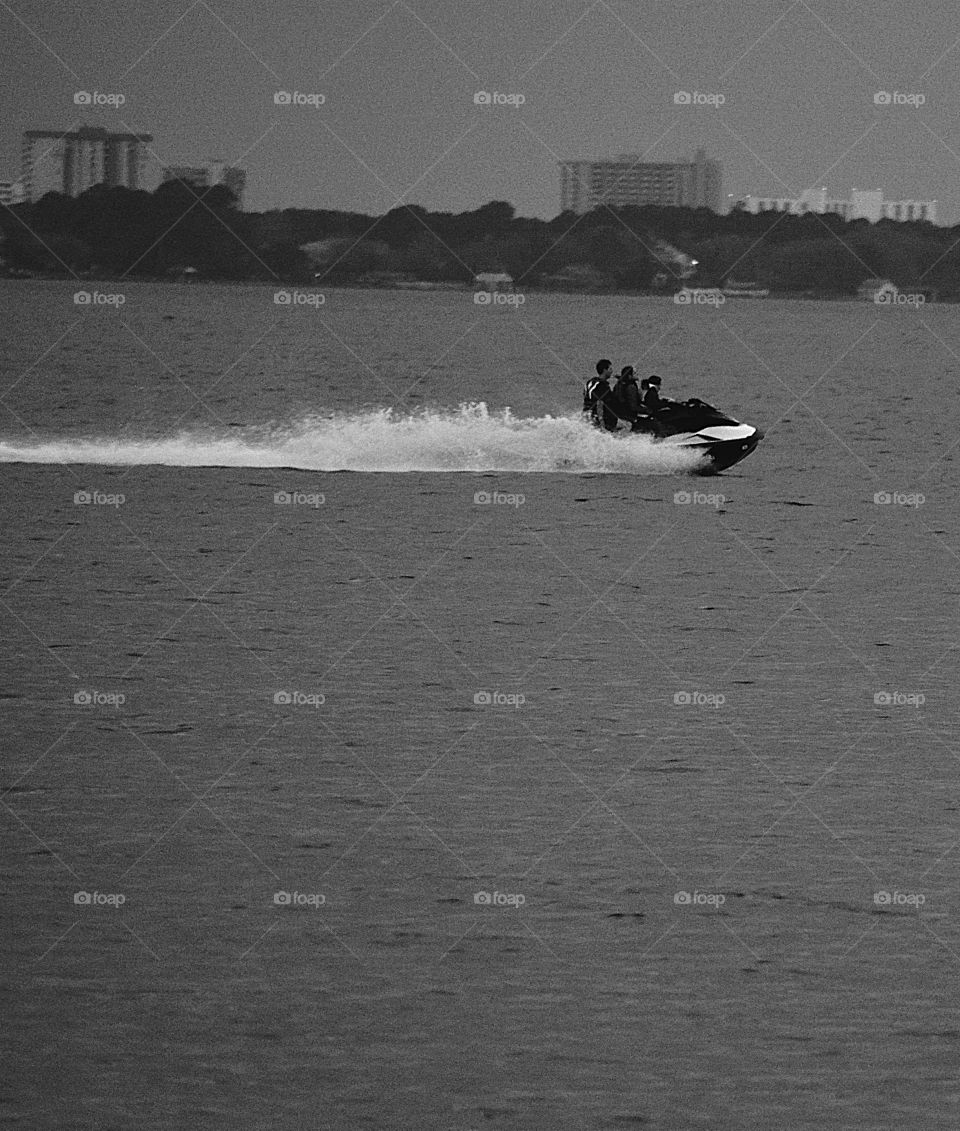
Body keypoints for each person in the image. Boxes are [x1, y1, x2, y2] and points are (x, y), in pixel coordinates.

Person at [583, 359, 622, 431]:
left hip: (587, 413)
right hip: (598, 416)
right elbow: (601, 403)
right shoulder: (602, 386)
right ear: (604, 370)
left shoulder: (590, 382)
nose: (612, 371)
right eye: (610, 369)